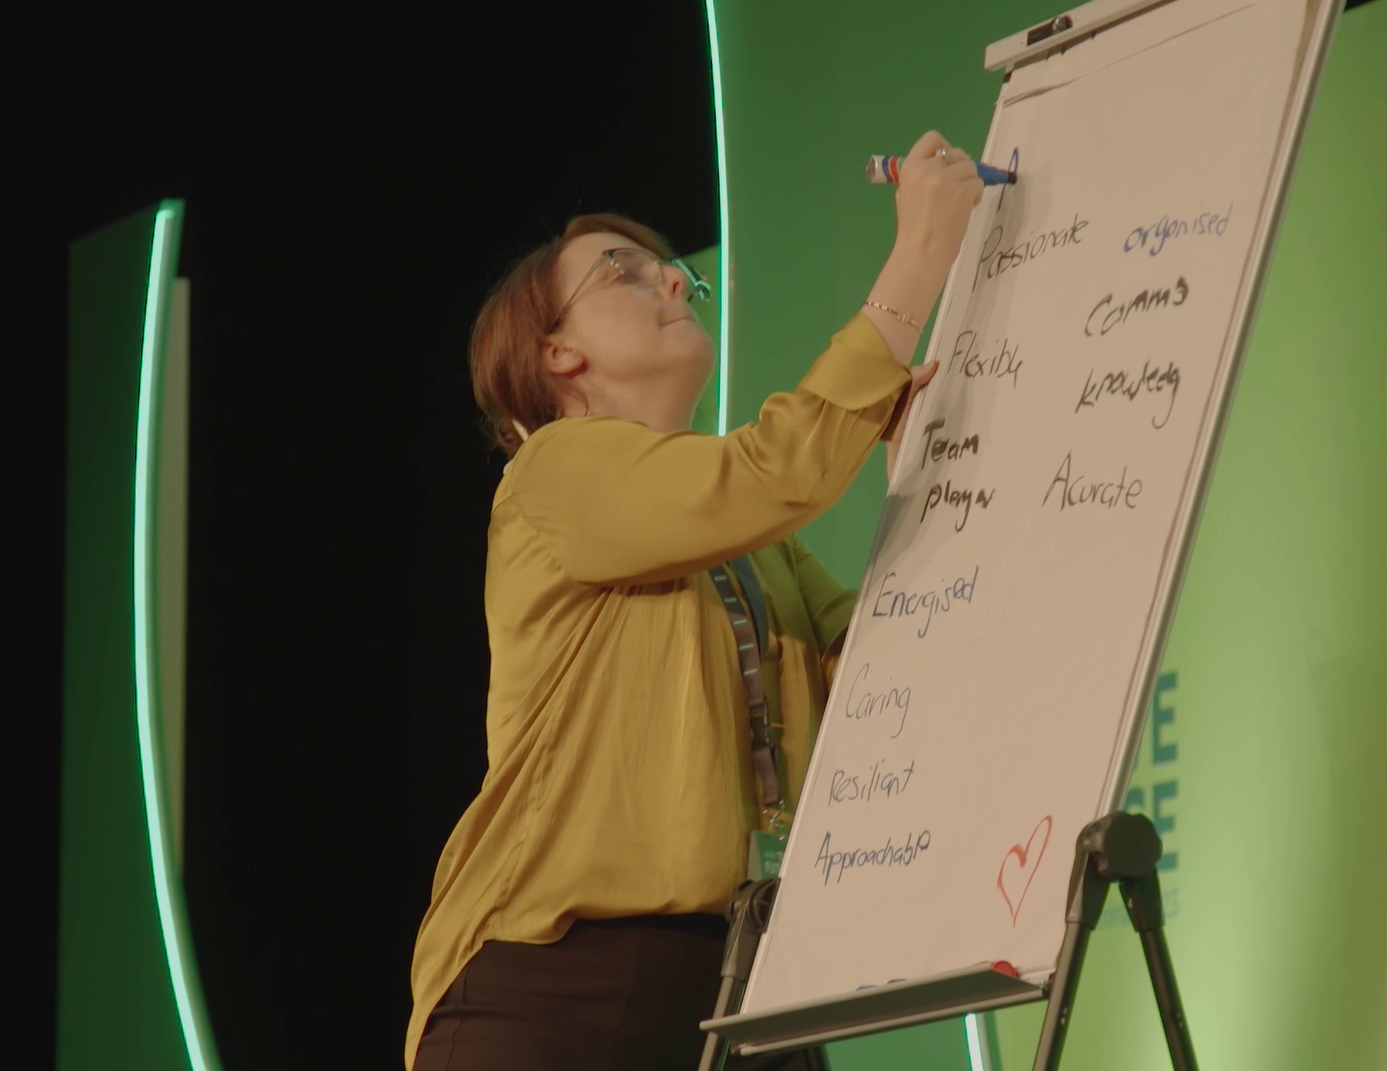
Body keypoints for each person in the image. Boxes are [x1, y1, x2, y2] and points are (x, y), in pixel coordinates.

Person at [406, 130, 985, 1071]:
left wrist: (935, 476)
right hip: (558, 986)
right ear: (556, 355)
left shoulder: (758, 549)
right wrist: (918, 262)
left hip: (745, 977)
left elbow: (884, 680)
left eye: (674, 271)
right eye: (625, 275)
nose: (673, 282)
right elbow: (771, 470)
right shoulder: (551, 474)